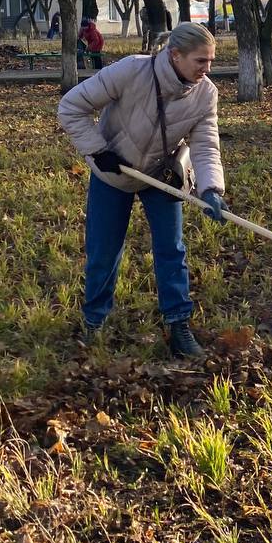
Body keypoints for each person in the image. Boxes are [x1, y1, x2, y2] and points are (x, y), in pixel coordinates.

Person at [57, 22, 226, 360]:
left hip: (163, 177)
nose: (207, 70)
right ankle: (94, 321)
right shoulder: (132, 71)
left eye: (210, 61)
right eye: (200, 61)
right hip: (113, 173)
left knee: (171, 250)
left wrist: (211, 189)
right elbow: (71, 107)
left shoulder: (206, 93)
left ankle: (178, 324)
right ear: (175, 55)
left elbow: (205, 145)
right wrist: (97, 150)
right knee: (104, 251)